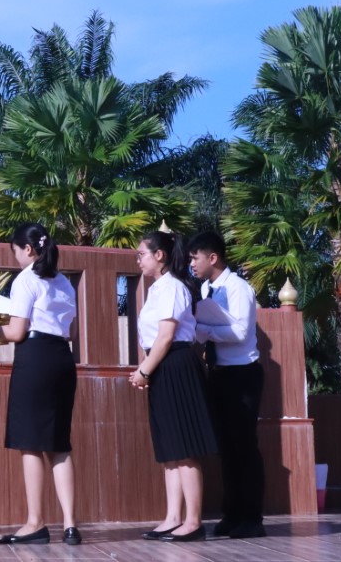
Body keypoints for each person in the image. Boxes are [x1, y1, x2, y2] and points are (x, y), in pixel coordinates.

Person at [0, 222, 83, 546]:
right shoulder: (64, 282)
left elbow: (16, 332)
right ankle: (70, 525)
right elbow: (72, 332)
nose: (16, 257)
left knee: (31, 442)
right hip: (62, 358)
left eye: (16, 251)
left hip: (35, 359)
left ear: (27, 249)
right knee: (59, 444)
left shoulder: (25, 280)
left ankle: (35, 522)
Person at [129, 229, 217, 543]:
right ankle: (172, 518)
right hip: (162, 366)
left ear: (159, 255)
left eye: (142, 254)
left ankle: (193, 521)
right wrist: (148, 369)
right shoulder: (157, 289)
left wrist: (143, 370)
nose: (138, 260)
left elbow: (166, 337)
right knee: (169, 449)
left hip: (177, 365)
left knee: (185, 448)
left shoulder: (173, 287)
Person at [189, 231, 265, 539]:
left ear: (213, 257)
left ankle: (252, 518)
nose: (191, 264)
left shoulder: (238, 288)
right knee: (226, 447)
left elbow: (241, 332)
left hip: (242, 374)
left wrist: (204, 330)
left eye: (195, 258)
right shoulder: (206, 288)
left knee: (244, 446)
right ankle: (232, 514)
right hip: (218, 373)